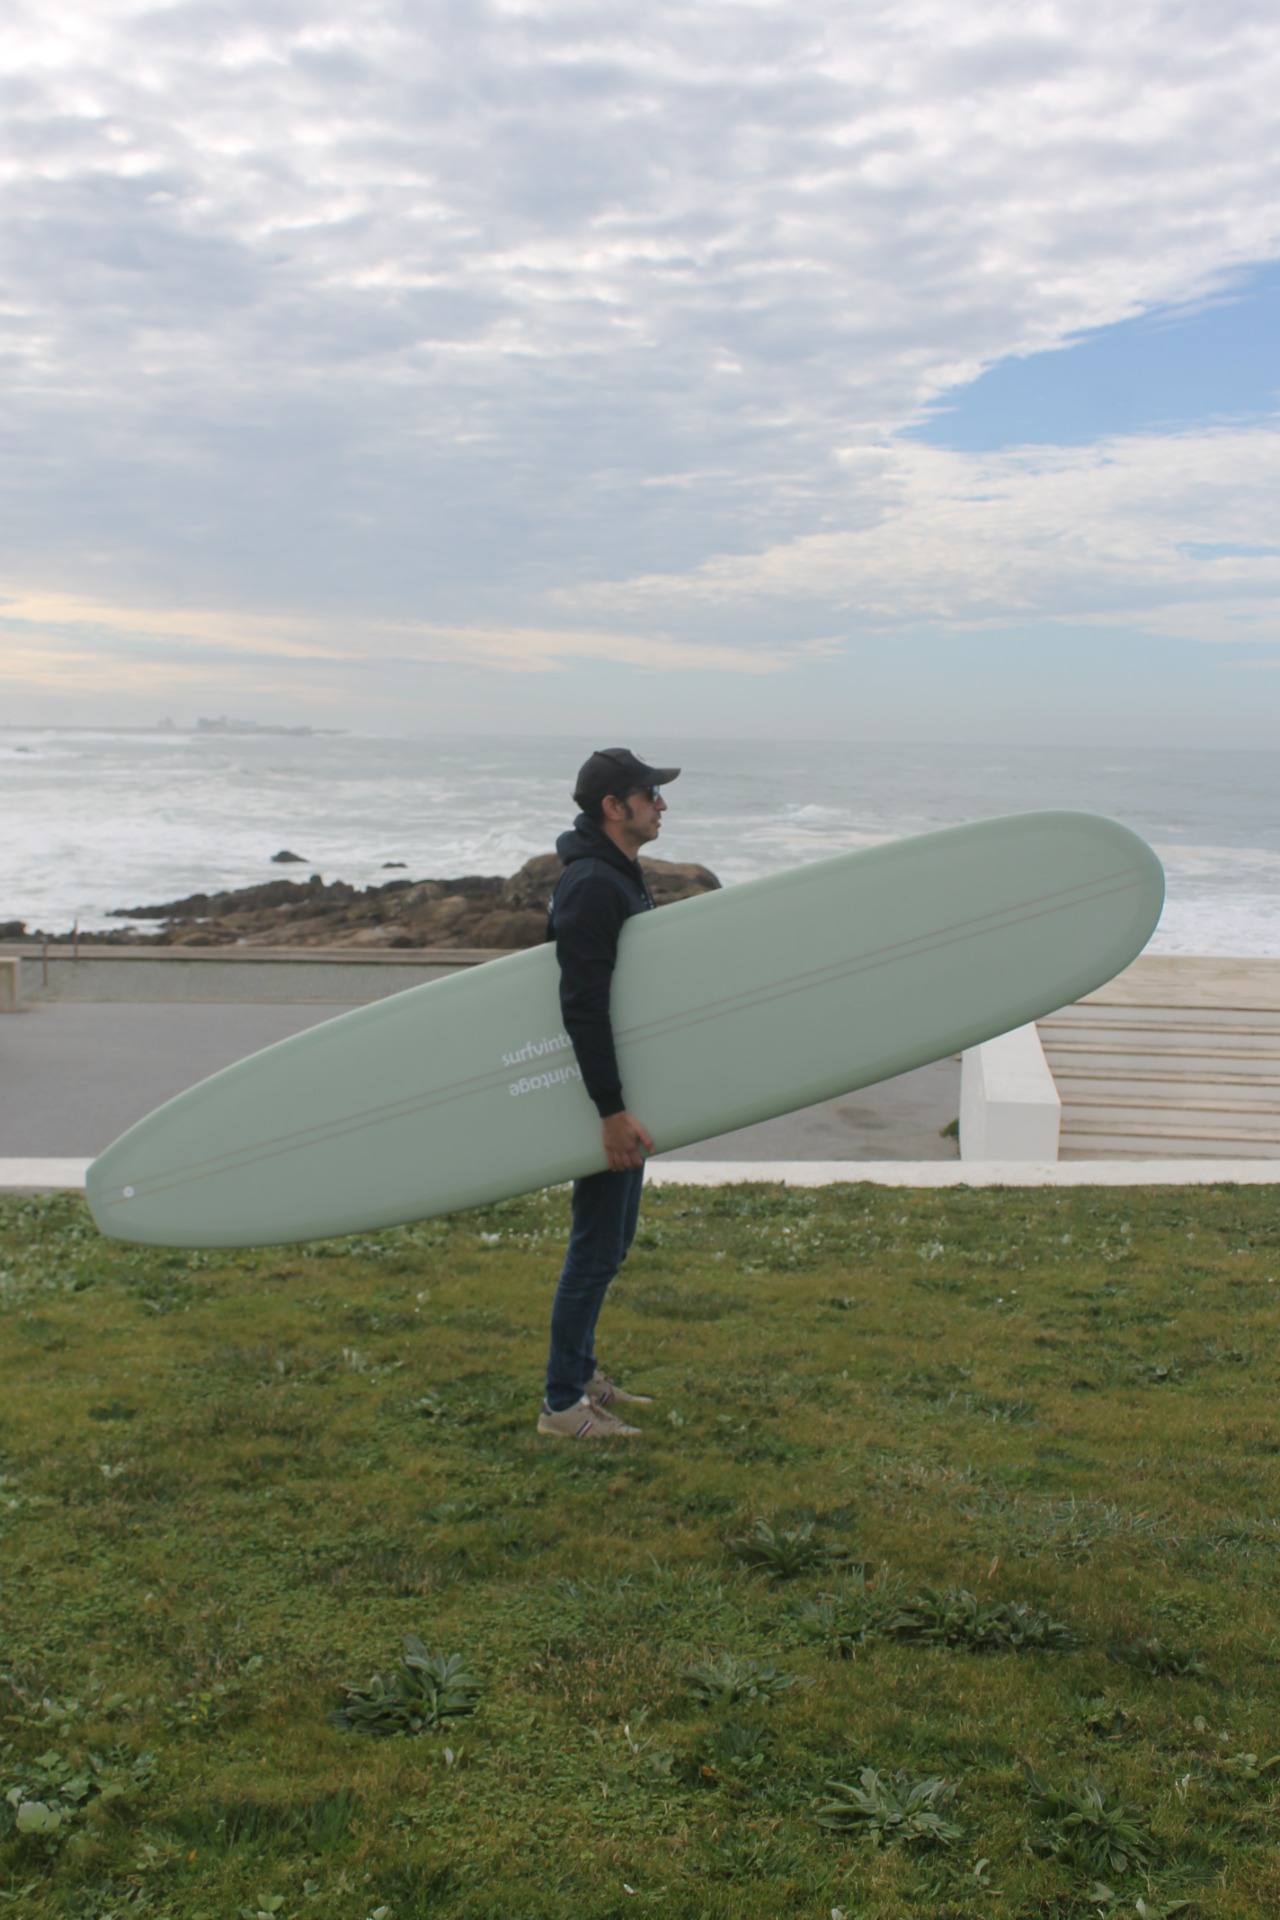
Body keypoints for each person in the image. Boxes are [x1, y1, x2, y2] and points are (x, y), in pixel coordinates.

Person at [537, 748, 681, 1439]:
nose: (662, 805)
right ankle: (563, 1405)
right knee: (594, 1249)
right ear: (613, 807)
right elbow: (584, 1005)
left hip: (622, 1087)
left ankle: (581, 1371)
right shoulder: (594, 884)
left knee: (611, 1242)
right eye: (650, 794)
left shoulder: (619, 873)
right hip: (604, 1097)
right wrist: (611, 1111)